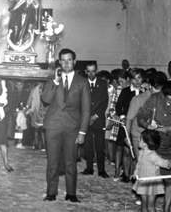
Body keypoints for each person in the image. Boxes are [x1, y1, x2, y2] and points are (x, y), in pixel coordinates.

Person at [41, 48, 91, 203]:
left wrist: (82, 132)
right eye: (63, 60)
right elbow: (46, 99)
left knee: (71, 162)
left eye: (69, 60)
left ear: (74, 62)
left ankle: (71, 193)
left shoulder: (82, 82)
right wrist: (55, 82)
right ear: (59, 62)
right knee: (52, 161)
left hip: (72, 127)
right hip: (53, 126)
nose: (66, 63)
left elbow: (86, 109)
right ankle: (51, 192)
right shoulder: (52, 79)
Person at [137, 79, 171, 212]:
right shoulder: (154, 98)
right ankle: (148, 205)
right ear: (163, 93)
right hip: (153, 146)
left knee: (170, 180)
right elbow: (141, 116)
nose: (170, 103)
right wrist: (147, 125)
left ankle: (166, 208)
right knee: (150, 180)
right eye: (168, 100)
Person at [115, 68, 145, 183]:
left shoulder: (145, 92)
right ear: (130, 80)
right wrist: (123, 117)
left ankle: (134, 174)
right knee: (127, 150)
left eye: (139, 78)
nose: (137, 81)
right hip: (126, 123)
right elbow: (119, 106)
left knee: (138, 150)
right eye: (134, 78)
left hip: (139, 125)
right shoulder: (125, 91)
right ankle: (126, 174)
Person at [80, 63, 110, 178]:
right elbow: (80, 102)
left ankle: (102, 170)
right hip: (86, 120)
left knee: (99, 145)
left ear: (96, 71)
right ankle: (89, 168)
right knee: (87, 145)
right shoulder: (82, 82)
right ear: (86, 72)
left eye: (93, 71)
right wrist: (87, 117)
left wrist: (95, 116)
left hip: (98, 119)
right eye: (89, 71)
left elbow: (104, 102)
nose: (91, 74)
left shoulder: (102, 83)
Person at [132, 130, 171, 212]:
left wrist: (170, 164)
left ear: (146, 144)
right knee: (143, 204)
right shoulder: (141, 152)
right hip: (143, 181)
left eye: (140, 139)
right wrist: (135, 173)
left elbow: (162, 162)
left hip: (152, 183)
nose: (139, 140)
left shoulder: (152, 155)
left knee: (150, 206)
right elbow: (138, 164)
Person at [0, 79, 14, 172]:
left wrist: (1, 103)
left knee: (2, 141)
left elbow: (5, 99)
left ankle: (6, 164)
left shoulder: (2, 82)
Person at [27, 81, 47, 151]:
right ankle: (36, 145)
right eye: (39, 82)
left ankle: (43, 145)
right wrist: (27, 108)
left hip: (45, 110)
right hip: (35, 109)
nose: (40, 84)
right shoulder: (34, 89)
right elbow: (30, 99)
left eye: (41, 82)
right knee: (36, 129)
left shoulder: (47, 88)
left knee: (42, 129)